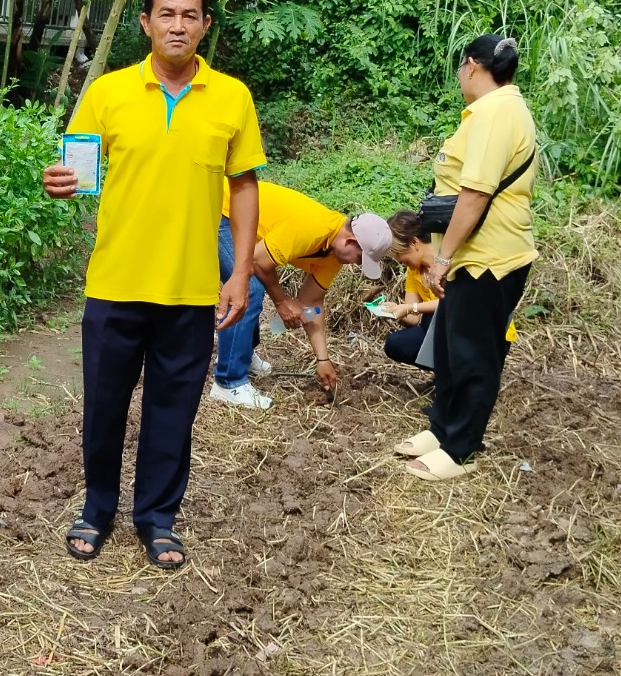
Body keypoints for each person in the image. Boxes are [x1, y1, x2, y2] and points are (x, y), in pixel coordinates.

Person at [43, 0, 264, 571]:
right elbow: (78, 171)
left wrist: (240, 271)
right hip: (116, 281)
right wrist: (62, 184)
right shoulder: (108, 92)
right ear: (145, 23)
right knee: (104, 404)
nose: (177, 24)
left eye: (190, 14)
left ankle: (158, 519)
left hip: (192, 287)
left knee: (174, 408)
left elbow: (244, 188)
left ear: (205, 25)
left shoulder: (232, 98)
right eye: (166, 13)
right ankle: (96, 509)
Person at [397, 34, 537, 481]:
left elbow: (474, 194)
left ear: (472, 66)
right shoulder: (493, 110)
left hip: (491, 258)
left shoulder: (497, 112)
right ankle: (441, 427)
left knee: (475, 355)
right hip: (471, 257)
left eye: (461, 68)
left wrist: (441, 258)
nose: (460, 76)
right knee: (451, 348)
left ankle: (459, 445)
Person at [211, 181, 392, 409]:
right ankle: (228, 381)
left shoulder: (334, 256)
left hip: (248, 223)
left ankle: (241, 353)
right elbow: (257, 261)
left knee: (253, 287)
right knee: (251, 288)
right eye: (359, 258)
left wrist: (323, 359)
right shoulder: (312, 228)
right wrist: (281, 301)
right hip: (225, 210)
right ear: (350, 241)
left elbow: (312, 303)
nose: (356, 264)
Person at [381, 210, 517, 369]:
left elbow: (457, 302)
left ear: (414, 243)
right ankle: (447, 376)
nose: (399, 260)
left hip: (481, 331)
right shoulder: (414, 271)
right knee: (396, 343)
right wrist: (396, 311)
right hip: (444, 330)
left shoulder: (450, 260)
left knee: (440, 318)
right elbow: (413, 319)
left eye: (398, 253)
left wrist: (411, 308)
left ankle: (460, 376)